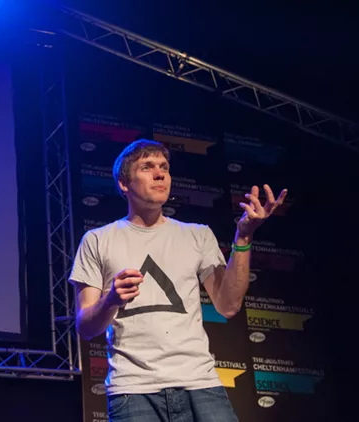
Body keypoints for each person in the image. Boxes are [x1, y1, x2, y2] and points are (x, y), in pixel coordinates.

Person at [70, 139, 287, 422]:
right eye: (147, 167)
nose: (160, 174)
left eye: (164, 167)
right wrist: (110, 300)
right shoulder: (98, 240)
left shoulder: (197, 235)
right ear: (124, 183)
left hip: (200, 383)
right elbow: (85, 327)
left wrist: (244, 238)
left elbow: (228, 305)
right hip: (133, 390)